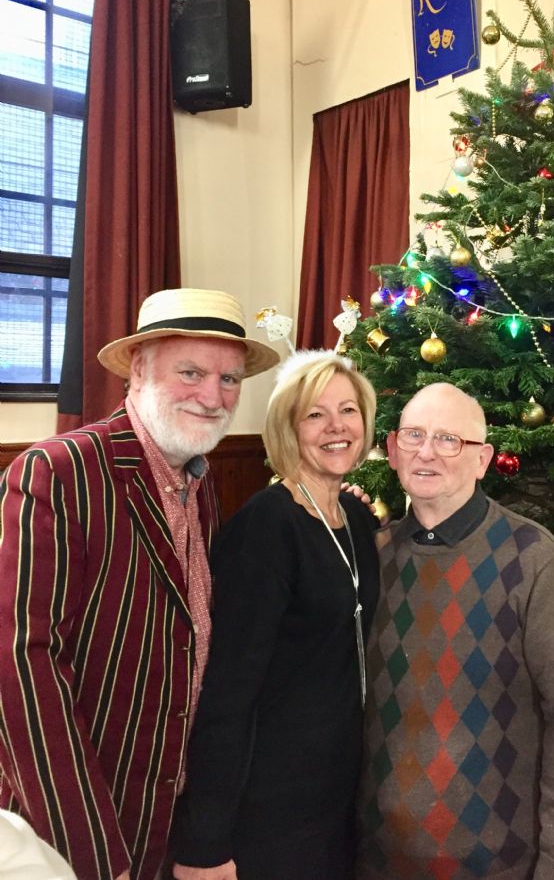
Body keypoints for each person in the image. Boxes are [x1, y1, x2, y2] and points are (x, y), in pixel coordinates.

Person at [0, 288, 278, 880]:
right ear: (139, 369)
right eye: (191, 372)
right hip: (71, 834)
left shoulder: (199, 489)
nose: (213, 396)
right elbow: (19, 665)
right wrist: (95, 855)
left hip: (164, 822)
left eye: (230, 380)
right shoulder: (59, 472)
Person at [357, 382, 554, 880]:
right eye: (413, 435)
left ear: (483, 459)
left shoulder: (536, 563)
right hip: (372, 860)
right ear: (391, 450)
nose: (427, 452)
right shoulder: (372, 556)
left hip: (497, 865)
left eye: (450, 439)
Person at [171, 351, 380, 880]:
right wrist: (206, 841)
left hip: (341, 788)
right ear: (288, 428)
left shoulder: (355, 516)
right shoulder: (264, 530)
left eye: (348, 410)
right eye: (315, 415)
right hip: (271, 799)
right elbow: (227, 692)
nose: (337, 427)